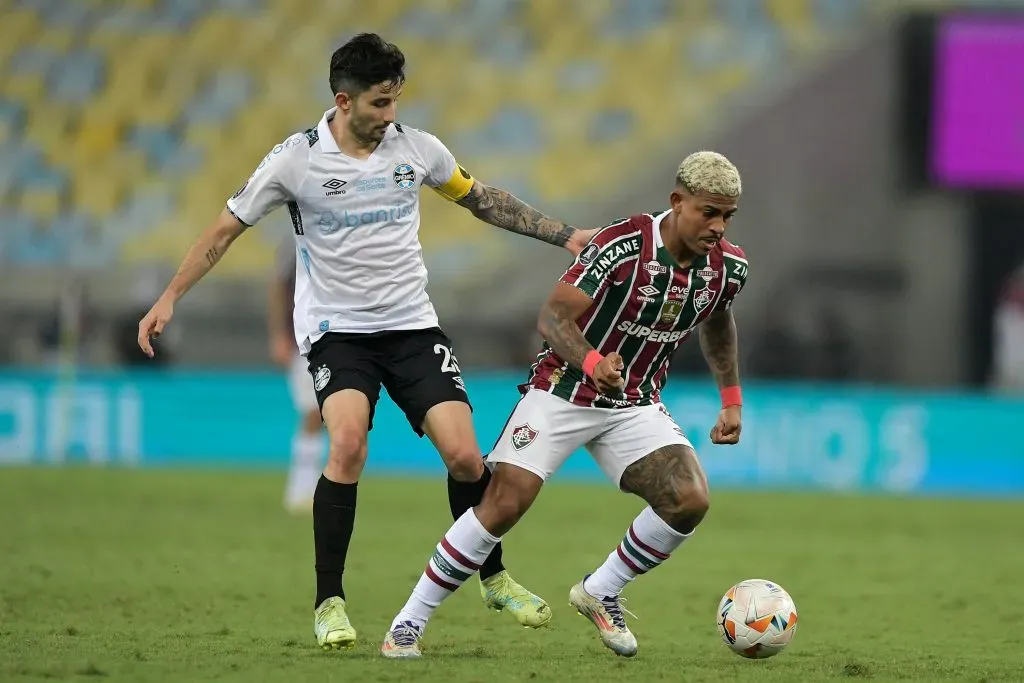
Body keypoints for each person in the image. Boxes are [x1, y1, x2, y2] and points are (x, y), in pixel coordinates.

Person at [137, 33, 596, 650]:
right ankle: (330, 601)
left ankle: (493, 576)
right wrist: (170, 296)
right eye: (380, 104)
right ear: (343, 100)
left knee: (465, 456)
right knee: (347, 442)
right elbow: (225, 230)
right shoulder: (296, 160)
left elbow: (482, 200)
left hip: (411, 326)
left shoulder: (419, 151)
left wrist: (565, 236)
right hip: (338, 333)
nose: (391, 116)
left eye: (396, 101)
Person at [382, 151, 748, 659]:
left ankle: (601, 590)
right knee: (503, 504)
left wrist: (730, 398)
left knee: (690, 499)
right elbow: (554, 318)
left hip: (633, 402)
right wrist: (594, 360)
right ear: (677, 201)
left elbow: (718, 321)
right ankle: (408, 622)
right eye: (709, 212)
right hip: (564, 389)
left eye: (727, 215)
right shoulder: (621, 246)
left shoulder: (728, 266)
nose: (718, 226)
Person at [269, 237, 325, 513]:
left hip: (336, 336)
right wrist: (279, 335)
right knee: (314, 413)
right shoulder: (296, 238)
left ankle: (313, 487)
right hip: (304, 339)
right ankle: (300, 489)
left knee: (329, 417)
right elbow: (279, 288)